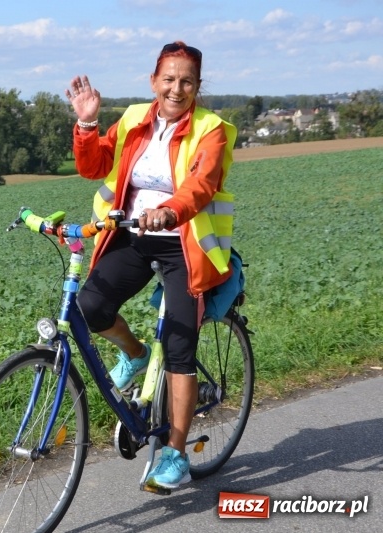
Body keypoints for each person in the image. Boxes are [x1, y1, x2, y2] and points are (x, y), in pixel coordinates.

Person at [65, 41, 237, 489]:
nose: (176, 89)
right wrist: (86, 123)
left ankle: (176, 455)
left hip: (184, 244)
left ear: (198, 86)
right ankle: (137, 354)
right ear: (153, 81)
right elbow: (95, 165)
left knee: (180, 351)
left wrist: (171, 211)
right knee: (90, 306)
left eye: (186, 81)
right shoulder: (135, 118)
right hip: (135, 237)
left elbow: (202, 183)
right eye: (168, 79)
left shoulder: (211, 129)